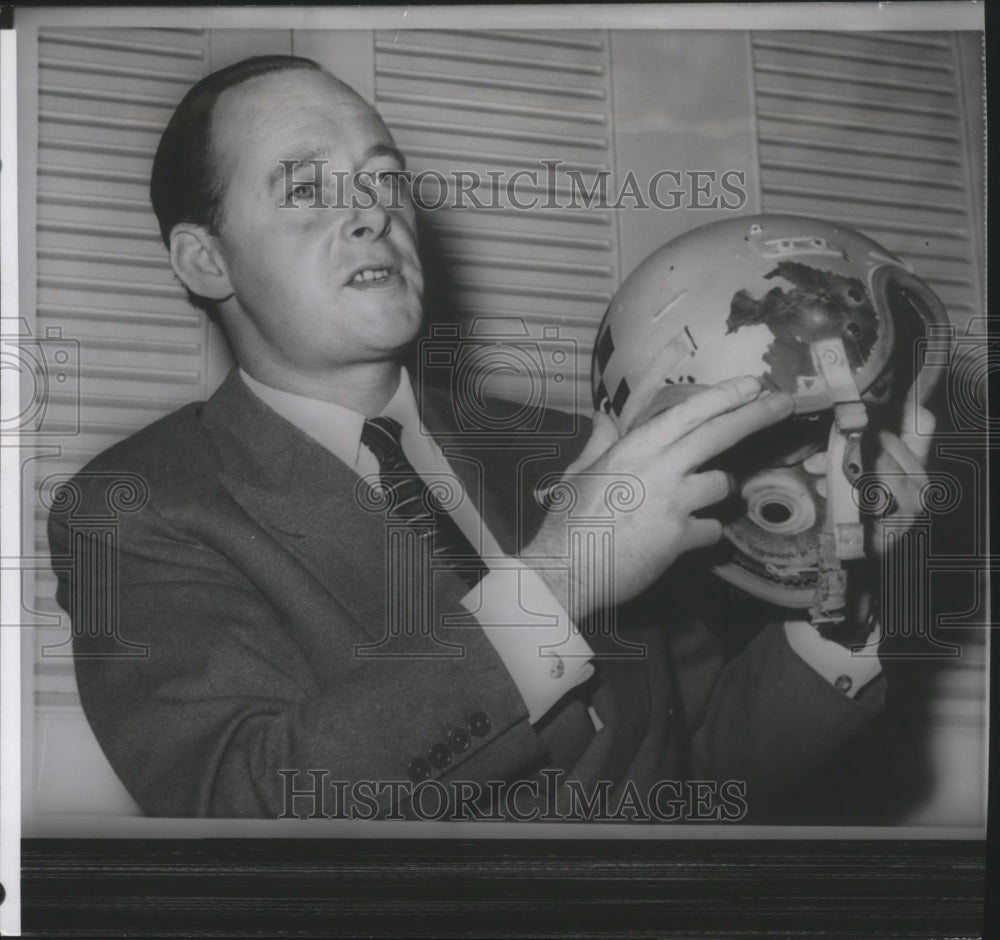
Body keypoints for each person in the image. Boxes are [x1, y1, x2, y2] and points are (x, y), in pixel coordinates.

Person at [48, 55, 928, 820]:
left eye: (384, 180)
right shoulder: (140, 507)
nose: (370, 214)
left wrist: (840, 599)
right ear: (206, 260)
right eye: (307, 187)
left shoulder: (570, 450)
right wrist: (559, 581)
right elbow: (240, 807)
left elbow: (699, 765)